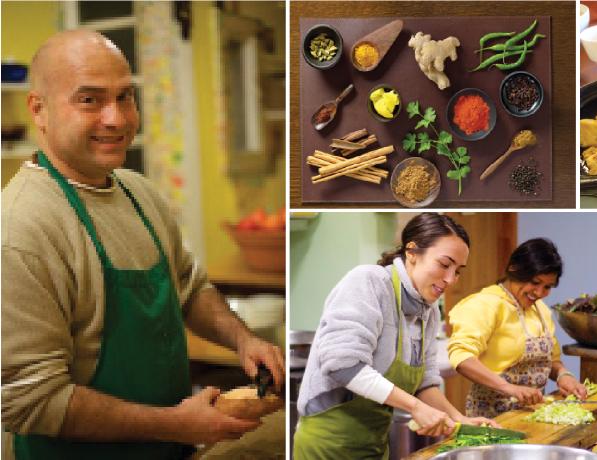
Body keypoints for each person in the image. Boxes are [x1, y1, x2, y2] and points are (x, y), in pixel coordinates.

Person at [1, 30, 284, 459]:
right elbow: (31, 399)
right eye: (90, 100)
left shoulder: (138, 192)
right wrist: (175, 424)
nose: (116, 119)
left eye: (125, 97)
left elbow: (188, 287)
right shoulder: (21, 227)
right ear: (38, 110)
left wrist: (244, 340)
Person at [294, 213, 497, 459]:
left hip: (374, 446)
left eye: (458, 271)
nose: (450, 279)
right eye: (444, 264)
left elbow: (425, 383)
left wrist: (460, 420)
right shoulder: (369, 282)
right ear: (412, 252)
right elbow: (343, 364)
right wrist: (415, 407)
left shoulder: (429, 312)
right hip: (326, 446)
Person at [447, 238, 587, 419]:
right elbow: (461, 358)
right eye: (535, 282)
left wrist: (563, 375)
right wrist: (509, 388)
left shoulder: (541, 310)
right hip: (492, 416)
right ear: (514, 269)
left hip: (531, 415)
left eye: (547, 287)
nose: (539, 293)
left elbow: (551, 360)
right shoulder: (485, 304)